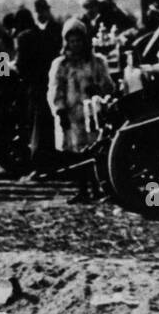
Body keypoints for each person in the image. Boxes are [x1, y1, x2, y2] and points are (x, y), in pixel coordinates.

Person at [48, 19, 113, 199]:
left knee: (95, 149)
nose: (75, 45)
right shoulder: (61, 65)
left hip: (93, 112)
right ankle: (82, 189)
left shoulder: (97, 62)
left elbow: (108, 85)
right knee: (77, 153)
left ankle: (98, 187)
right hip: (72, 113)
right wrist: (59, 110)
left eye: (79, 40)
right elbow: (56, 89)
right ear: (66, 42)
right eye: (72, 41)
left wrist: (98, 89)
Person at [13, 6, 56, 177]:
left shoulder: (22, 38)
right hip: (47, 84)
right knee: (46, 126)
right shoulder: (42, 34)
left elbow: (20, 65)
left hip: (33, 87)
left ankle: (39, 165)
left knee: (36, 128)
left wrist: (7, 68)